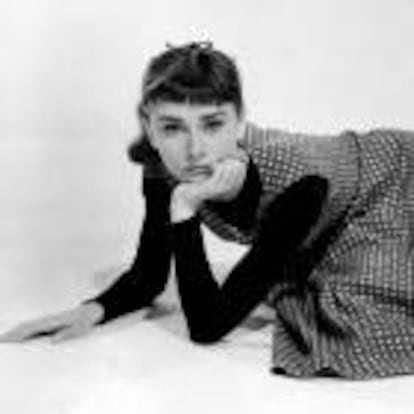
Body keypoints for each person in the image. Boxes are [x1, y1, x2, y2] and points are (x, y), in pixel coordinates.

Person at [1, 41, 413, 379]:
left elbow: (207, 325)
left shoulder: (298, 184)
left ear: (239, 122)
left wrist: (184, 206)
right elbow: (149, 275)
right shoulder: (161, 167)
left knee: (358, 324)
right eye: (172, 127)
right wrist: (95, 308)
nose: (194, 150)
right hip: (330, 215)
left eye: (212, 124)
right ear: (149, 127)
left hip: (392, 185)